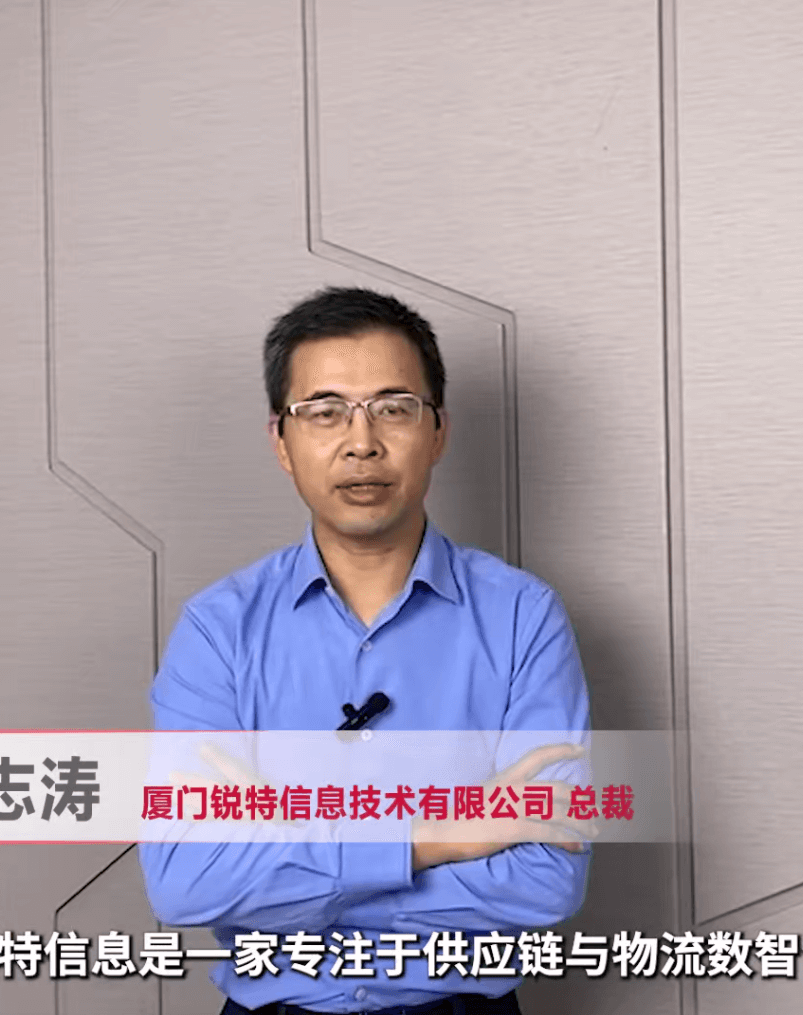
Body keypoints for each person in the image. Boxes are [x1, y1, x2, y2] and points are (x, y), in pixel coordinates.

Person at [139, 286, 597, 1015]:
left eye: (393, 407)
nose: (361, 442)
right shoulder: (218, 629)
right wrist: (435, 837)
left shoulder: (522, 617)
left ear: (438, 431)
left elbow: (546, 880)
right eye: (324, 411)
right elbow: (185, 879)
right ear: (281, 441)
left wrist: (286, 849)